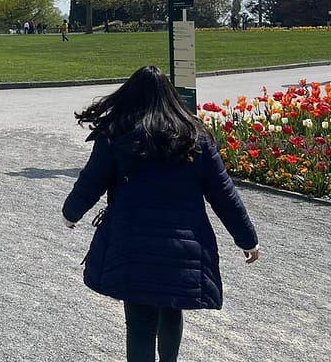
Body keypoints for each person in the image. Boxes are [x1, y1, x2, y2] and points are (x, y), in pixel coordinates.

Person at [62, 65, 259, 362]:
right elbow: (224, 193)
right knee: (171, 311)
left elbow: (92, 181)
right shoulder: (195, 135)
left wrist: (71, 213)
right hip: (183, 243)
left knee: (140, 322)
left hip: (132, 243)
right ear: (171, 97)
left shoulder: (116, 133)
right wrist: (247, 239)